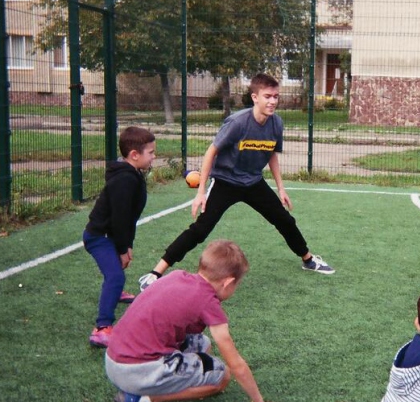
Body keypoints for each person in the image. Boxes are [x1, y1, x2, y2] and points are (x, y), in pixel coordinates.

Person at [139, 73, 333, 290]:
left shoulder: (276, 123)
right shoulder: (238, 123)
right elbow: (211, 152)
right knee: (200, 230)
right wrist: (201, 191)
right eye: (267, 96)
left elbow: (271, 154)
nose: (272, 101)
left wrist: (281, 188)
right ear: (255, 97)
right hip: (225, 181)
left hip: (253, 183)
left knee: (285, 220)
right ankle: (155, 273)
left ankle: (308, 259)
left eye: (276, 96)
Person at [105, 240, 283, 402]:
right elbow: (236, 364)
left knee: (201, 343)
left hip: (114, 358)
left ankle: (154, 386)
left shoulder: (177, 276)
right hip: (133, 369)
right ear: (228, 282)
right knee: (221, 378)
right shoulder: (208, 301)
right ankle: (143, 400)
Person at [84, 126, 157, 348]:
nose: (154, 156)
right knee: (115, 276)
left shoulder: (132, 174)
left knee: (117, 272)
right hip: (99, 237)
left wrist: (128, 245)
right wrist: (122, 248)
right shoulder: (124, 180)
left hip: (111, 234)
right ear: (134, 155)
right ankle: (102, 328)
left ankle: (114, 293)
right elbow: (119, 218)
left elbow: (128, 218)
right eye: (151, 153)